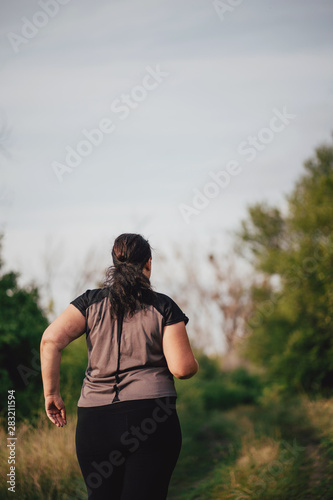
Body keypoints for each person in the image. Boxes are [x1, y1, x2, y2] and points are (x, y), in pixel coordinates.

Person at [40, 233, 199, 500]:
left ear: (114, 262)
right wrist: (194, 363)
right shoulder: (163, 306)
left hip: (95, 421)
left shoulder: (90, 302)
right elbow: (182, 369)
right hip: (150, 417)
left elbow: (50, 340)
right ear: (148, 263)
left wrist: (51, 394)